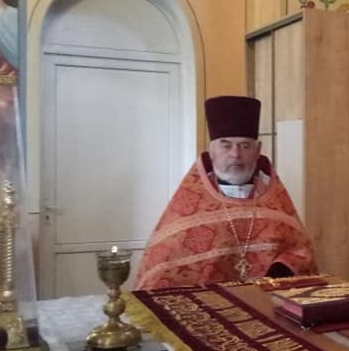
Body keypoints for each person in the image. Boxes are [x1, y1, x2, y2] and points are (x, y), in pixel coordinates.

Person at [136, 95, 317, 289]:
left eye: (245, 145)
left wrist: (283, 267)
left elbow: (301, 251)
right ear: (211, 151)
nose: (235, 154)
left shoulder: (276, 202)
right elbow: (161, 268)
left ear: (258, 150)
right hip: (207, 303)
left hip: (267, 300)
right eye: (226, 144)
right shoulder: (190, 204)